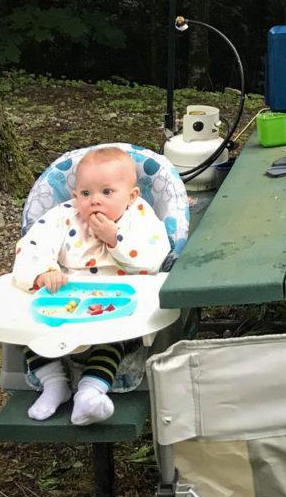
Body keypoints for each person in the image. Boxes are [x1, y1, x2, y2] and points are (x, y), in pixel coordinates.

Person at [11, 146, 169, 425]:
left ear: (132, 196)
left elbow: (153, 259)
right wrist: (44, 272)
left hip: (118, 298)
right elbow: (33, 245)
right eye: (86, 193)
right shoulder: (64, 216)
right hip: (66, 296)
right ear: (75, 195)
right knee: (24, 324)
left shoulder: (140, 218)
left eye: (107, 192)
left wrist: (114, 238)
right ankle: (53, 383)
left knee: (116, 338)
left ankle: (89, 393)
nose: (95, 201)